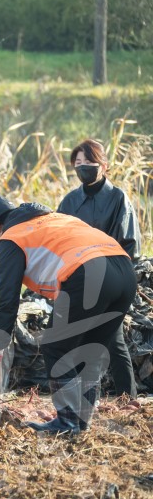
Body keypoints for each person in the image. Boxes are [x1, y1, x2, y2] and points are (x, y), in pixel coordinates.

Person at [0, 196, 137, 435]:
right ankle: (80, 421)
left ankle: (68, 421)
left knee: (55, 346)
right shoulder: (54, 219)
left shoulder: (11, 237)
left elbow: (6, 298)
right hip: (125, 273)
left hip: (88, 274)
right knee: (89, 351)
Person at [57, 138, 141, 398]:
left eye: (89, 162)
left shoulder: (118, 198)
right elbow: (60, 240)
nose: (83, 167)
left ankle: (128, 398)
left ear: (103, 165)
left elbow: (129, 245)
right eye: (78, 163)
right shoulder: (70, 202)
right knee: (85, 340)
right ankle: (91, 398)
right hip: (78, 280)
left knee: (112, 340)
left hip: (110, 278)